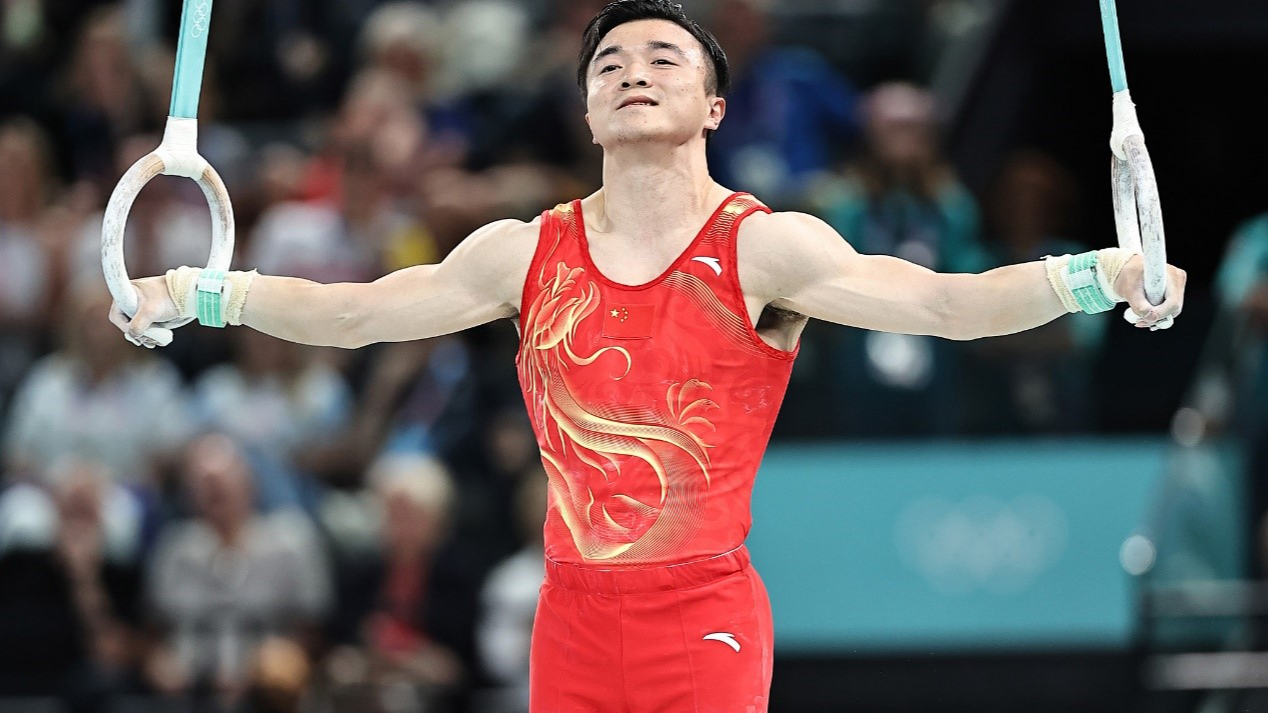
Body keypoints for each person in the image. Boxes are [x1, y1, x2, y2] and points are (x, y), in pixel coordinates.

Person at [111, 2, 1187, 708]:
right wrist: (201, 290)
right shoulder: (524, 252)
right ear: (584, 107)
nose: (632, 72)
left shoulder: (762, 247)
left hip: (703, 616)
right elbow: (356, 314)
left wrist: (1098, 272)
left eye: (662, 57)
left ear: (713, 104)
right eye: (609, 62)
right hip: (570, 618)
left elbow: (948, 305)